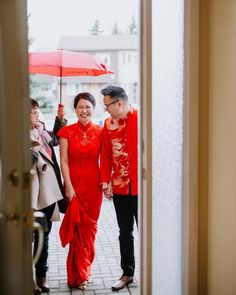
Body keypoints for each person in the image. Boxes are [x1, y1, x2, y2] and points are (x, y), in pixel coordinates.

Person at [58, 92, 103, 290]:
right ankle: (78, 275)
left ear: (94, 109)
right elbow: (64, 161)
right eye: (80, 107)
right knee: (77, 232)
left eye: (88, 107)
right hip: (74, 187)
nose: (84, 111)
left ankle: (86, 271)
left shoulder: (102, 132)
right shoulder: (66, 132)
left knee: (89, 232)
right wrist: (68, 186)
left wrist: (107, 182)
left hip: (94, 188)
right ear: (75, 109)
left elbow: (107, 160)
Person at [100, 85, 138, 291]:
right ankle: (127, 273)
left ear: (119, 103)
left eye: (108, 106)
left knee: (149, 231)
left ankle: (157, 270)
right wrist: (106, 181)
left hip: (142, 189)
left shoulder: (142, 119)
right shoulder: (107, 124)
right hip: (120, 189)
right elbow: (105, 155)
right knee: (125, 232)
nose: (106, 110)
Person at [30, 99, 67, 294]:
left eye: (36, 110)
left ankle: (41, 276)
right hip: (29, 196)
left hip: (47, 193)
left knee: (43, 237)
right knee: (26, 239)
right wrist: (33, 149)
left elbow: (55, 140)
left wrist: (59, 120)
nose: (36, 114)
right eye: (32, 111)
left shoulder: (42, 132)